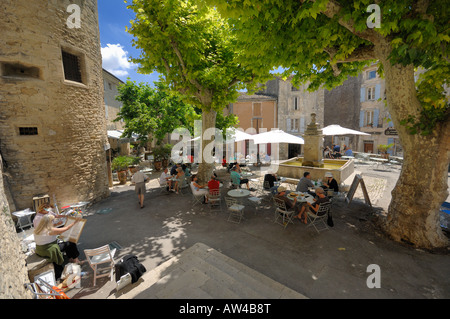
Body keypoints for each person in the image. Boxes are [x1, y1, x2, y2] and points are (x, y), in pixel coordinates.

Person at [34, 214, 82, 279]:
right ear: (49, 222)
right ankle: (75, 260)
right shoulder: (50, 230)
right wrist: (75, 222)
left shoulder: (38, 229)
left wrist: (56, 225)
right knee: (69, 242)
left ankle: (71, 258)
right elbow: (66, 228)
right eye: (52, 221)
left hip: (40, 250)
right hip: (49, 250)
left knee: (65, 242)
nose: (54, 222)